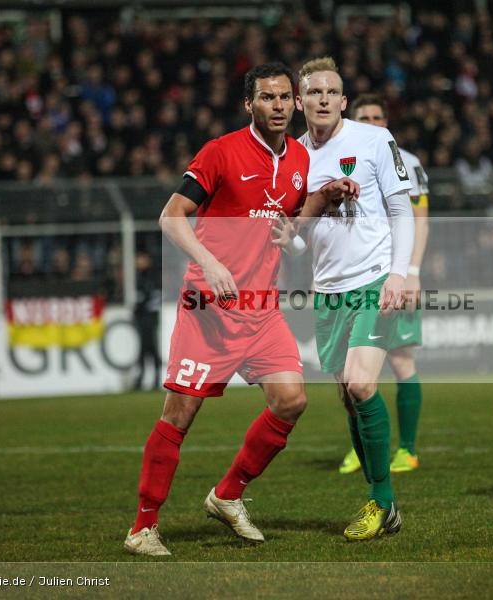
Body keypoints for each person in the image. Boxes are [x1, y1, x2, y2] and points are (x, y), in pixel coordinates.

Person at [123, 62, 354, 556]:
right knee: (179, 416)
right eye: (267, 98)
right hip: (208, 309)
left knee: (291, 401)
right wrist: (208, 262)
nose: (278, 106)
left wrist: (324, 199)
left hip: (262, 309)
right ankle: (143, 527)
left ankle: (227, 495)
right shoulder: (220, 152)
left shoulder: (299, 159)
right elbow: (171, 216)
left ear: (295, 103)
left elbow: (290, 226)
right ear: (249, 104)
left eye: (284, 98)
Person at [295, 57, 415, 540]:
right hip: (328, 289)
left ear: (343, 101)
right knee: (348, 395)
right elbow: (296, 241)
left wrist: (399, 274)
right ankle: (384, 501)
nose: (322, 99)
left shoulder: (374, 140)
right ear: (300, 101)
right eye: (314, 92)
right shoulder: (293, 157)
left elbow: (401, 208)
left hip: (374, 278)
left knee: (361, 384)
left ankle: (381, 500)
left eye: (331, 92)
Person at [337, 93, 430, 475]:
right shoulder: (338, 158)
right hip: (350, 278)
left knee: (401, 359)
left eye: (378, 117)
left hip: (393, 274)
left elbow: (419, 220)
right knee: (349, 372)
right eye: (365, 117)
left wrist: (412, 271)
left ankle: (407, 449)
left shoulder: (407, 162)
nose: (372, 123)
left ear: (386, 122)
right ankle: (360, 447)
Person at [132, 250, 161, 391]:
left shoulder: (151, 277)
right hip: (143, 316)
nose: (138, 262)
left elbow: (149, 297)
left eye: (141, 259)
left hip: (150, 317)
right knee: (144, 349)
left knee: (150, 347)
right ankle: (143, 378)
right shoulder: (139, 276)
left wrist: (138, 307)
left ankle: (154, 379)